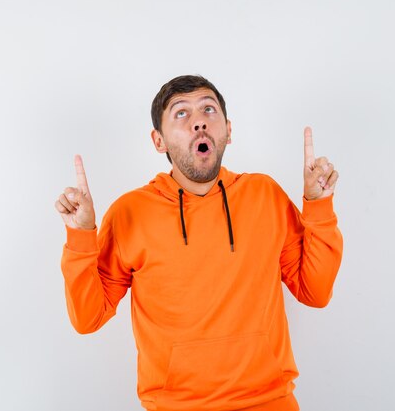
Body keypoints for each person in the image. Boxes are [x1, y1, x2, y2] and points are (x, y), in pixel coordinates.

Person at [55, 75, 343, 411]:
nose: (199, 122)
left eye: (209, 109)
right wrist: (80, 235)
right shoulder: (130, 213)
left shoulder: (265, 196)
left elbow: (316, 291)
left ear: (228, 131)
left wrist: (318, 204)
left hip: (271, 402)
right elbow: (88, 318)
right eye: (181, 113)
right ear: (158, 141)